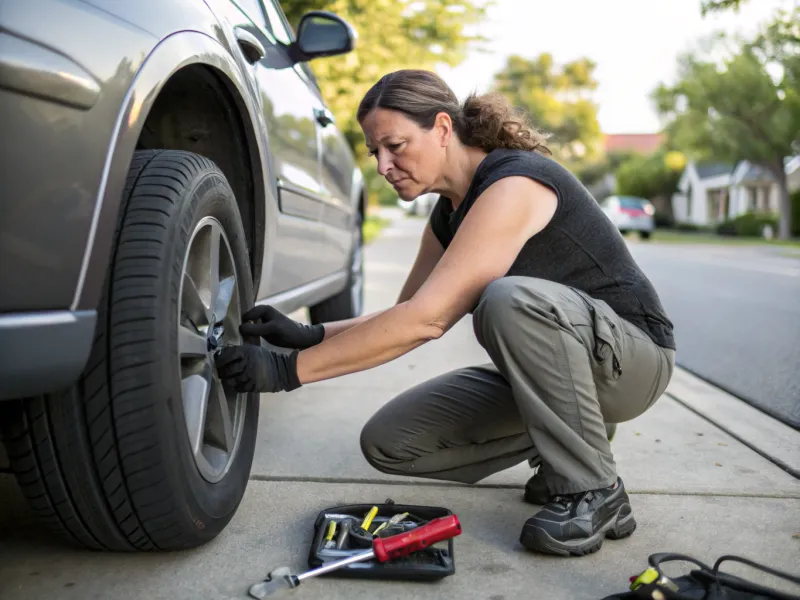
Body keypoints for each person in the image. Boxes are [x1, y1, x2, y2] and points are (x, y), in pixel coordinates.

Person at [214, 69, 676, 557]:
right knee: (391, 442)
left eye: (395, 145)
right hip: (573, 371)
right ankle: (574, 445)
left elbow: (428, 321)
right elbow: (406, 314)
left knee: (506, 300)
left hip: (633, 361)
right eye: (375, 153)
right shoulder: (448, 213)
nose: (384, 165)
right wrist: (309, 334)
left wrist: (287, 372)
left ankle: (596, 491)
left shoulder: (514, 182)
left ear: (440, 127)